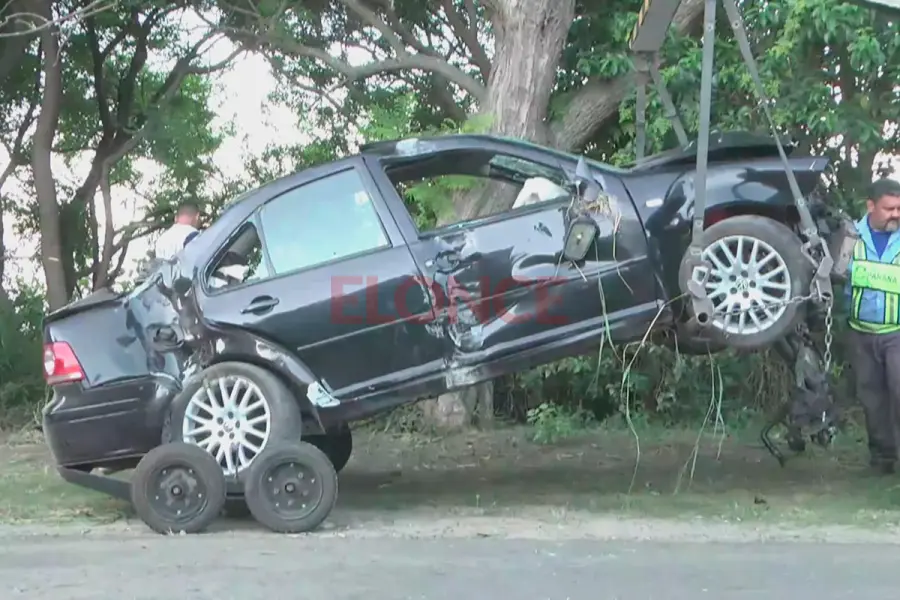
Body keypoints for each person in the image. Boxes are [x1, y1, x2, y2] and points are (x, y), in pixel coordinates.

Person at [846, 177, 900, 474]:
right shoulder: (850, 236)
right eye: (889, 208)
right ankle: (882, 460)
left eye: (899, 208)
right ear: (870, 206)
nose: (896, 214)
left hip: (897, 333)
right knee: (872, 399)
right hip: (860, 333)